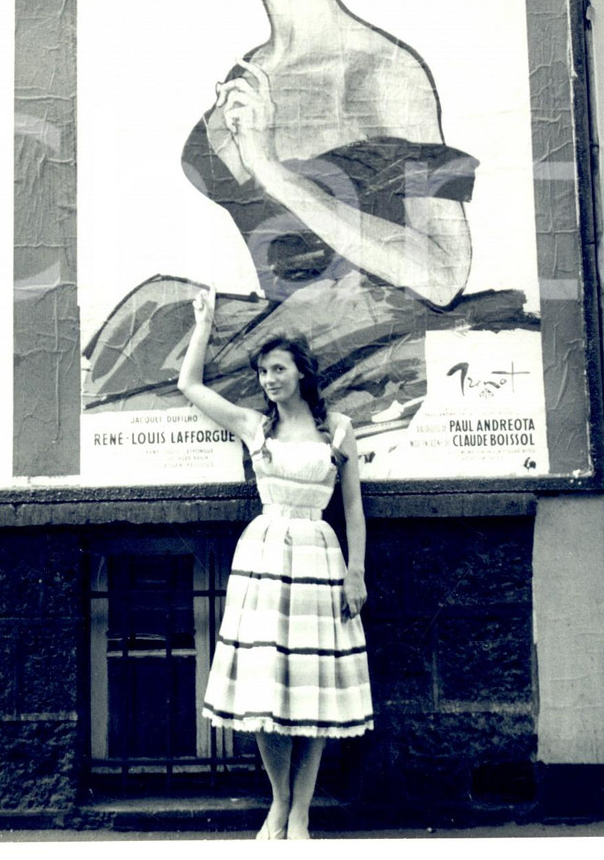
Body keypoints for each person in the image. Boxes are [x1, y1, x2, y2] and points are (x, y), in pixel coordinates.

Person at [85, 0, 536, 459]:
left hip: (364, 349)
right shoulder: (248, 73)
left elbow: (444, 274)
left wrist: (268, 166)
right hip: (273, 338)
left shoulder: (382, 73)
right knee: (143, 340)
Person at [177, 285, 372, 840]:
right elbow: (189, 385)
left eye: (278, 369)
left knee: (311, 690)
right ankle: (279, 802)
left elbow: (353, 508)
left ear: (301, 374)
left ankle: (304, 811)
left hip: (318, 558)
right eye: (263, 371)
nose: (269, 380)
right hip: (264, 558)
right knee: (265, 686)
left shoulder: (339, 430)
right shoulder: (253, 426)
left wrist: (355, 572)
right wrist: (204, 323)